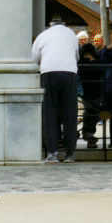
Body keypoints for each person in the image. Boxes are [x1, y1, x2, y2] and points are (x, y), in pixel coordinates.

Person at [32, 15, 81, 163]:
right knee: (70, 113)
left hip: (49, 72)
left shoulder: (43, 35)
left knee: (50, 113)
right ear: (64, 23)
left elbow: (34, 58)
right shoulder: (71, 34)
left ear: (50, 24)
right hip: (69, 72)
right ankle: (70, 154)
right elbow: (76, 55)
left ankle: (52, 153)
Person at [78, 32, 104, 145]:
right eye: (86, 55)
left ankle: (88, 134)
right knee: (90, 112)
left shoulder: (97, 61)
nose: (88, 57)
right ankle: (88, 133)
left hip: (96, 91)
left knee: (94, 112)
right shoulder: (83, 63)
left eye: (89, 55)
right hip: (87, 91)